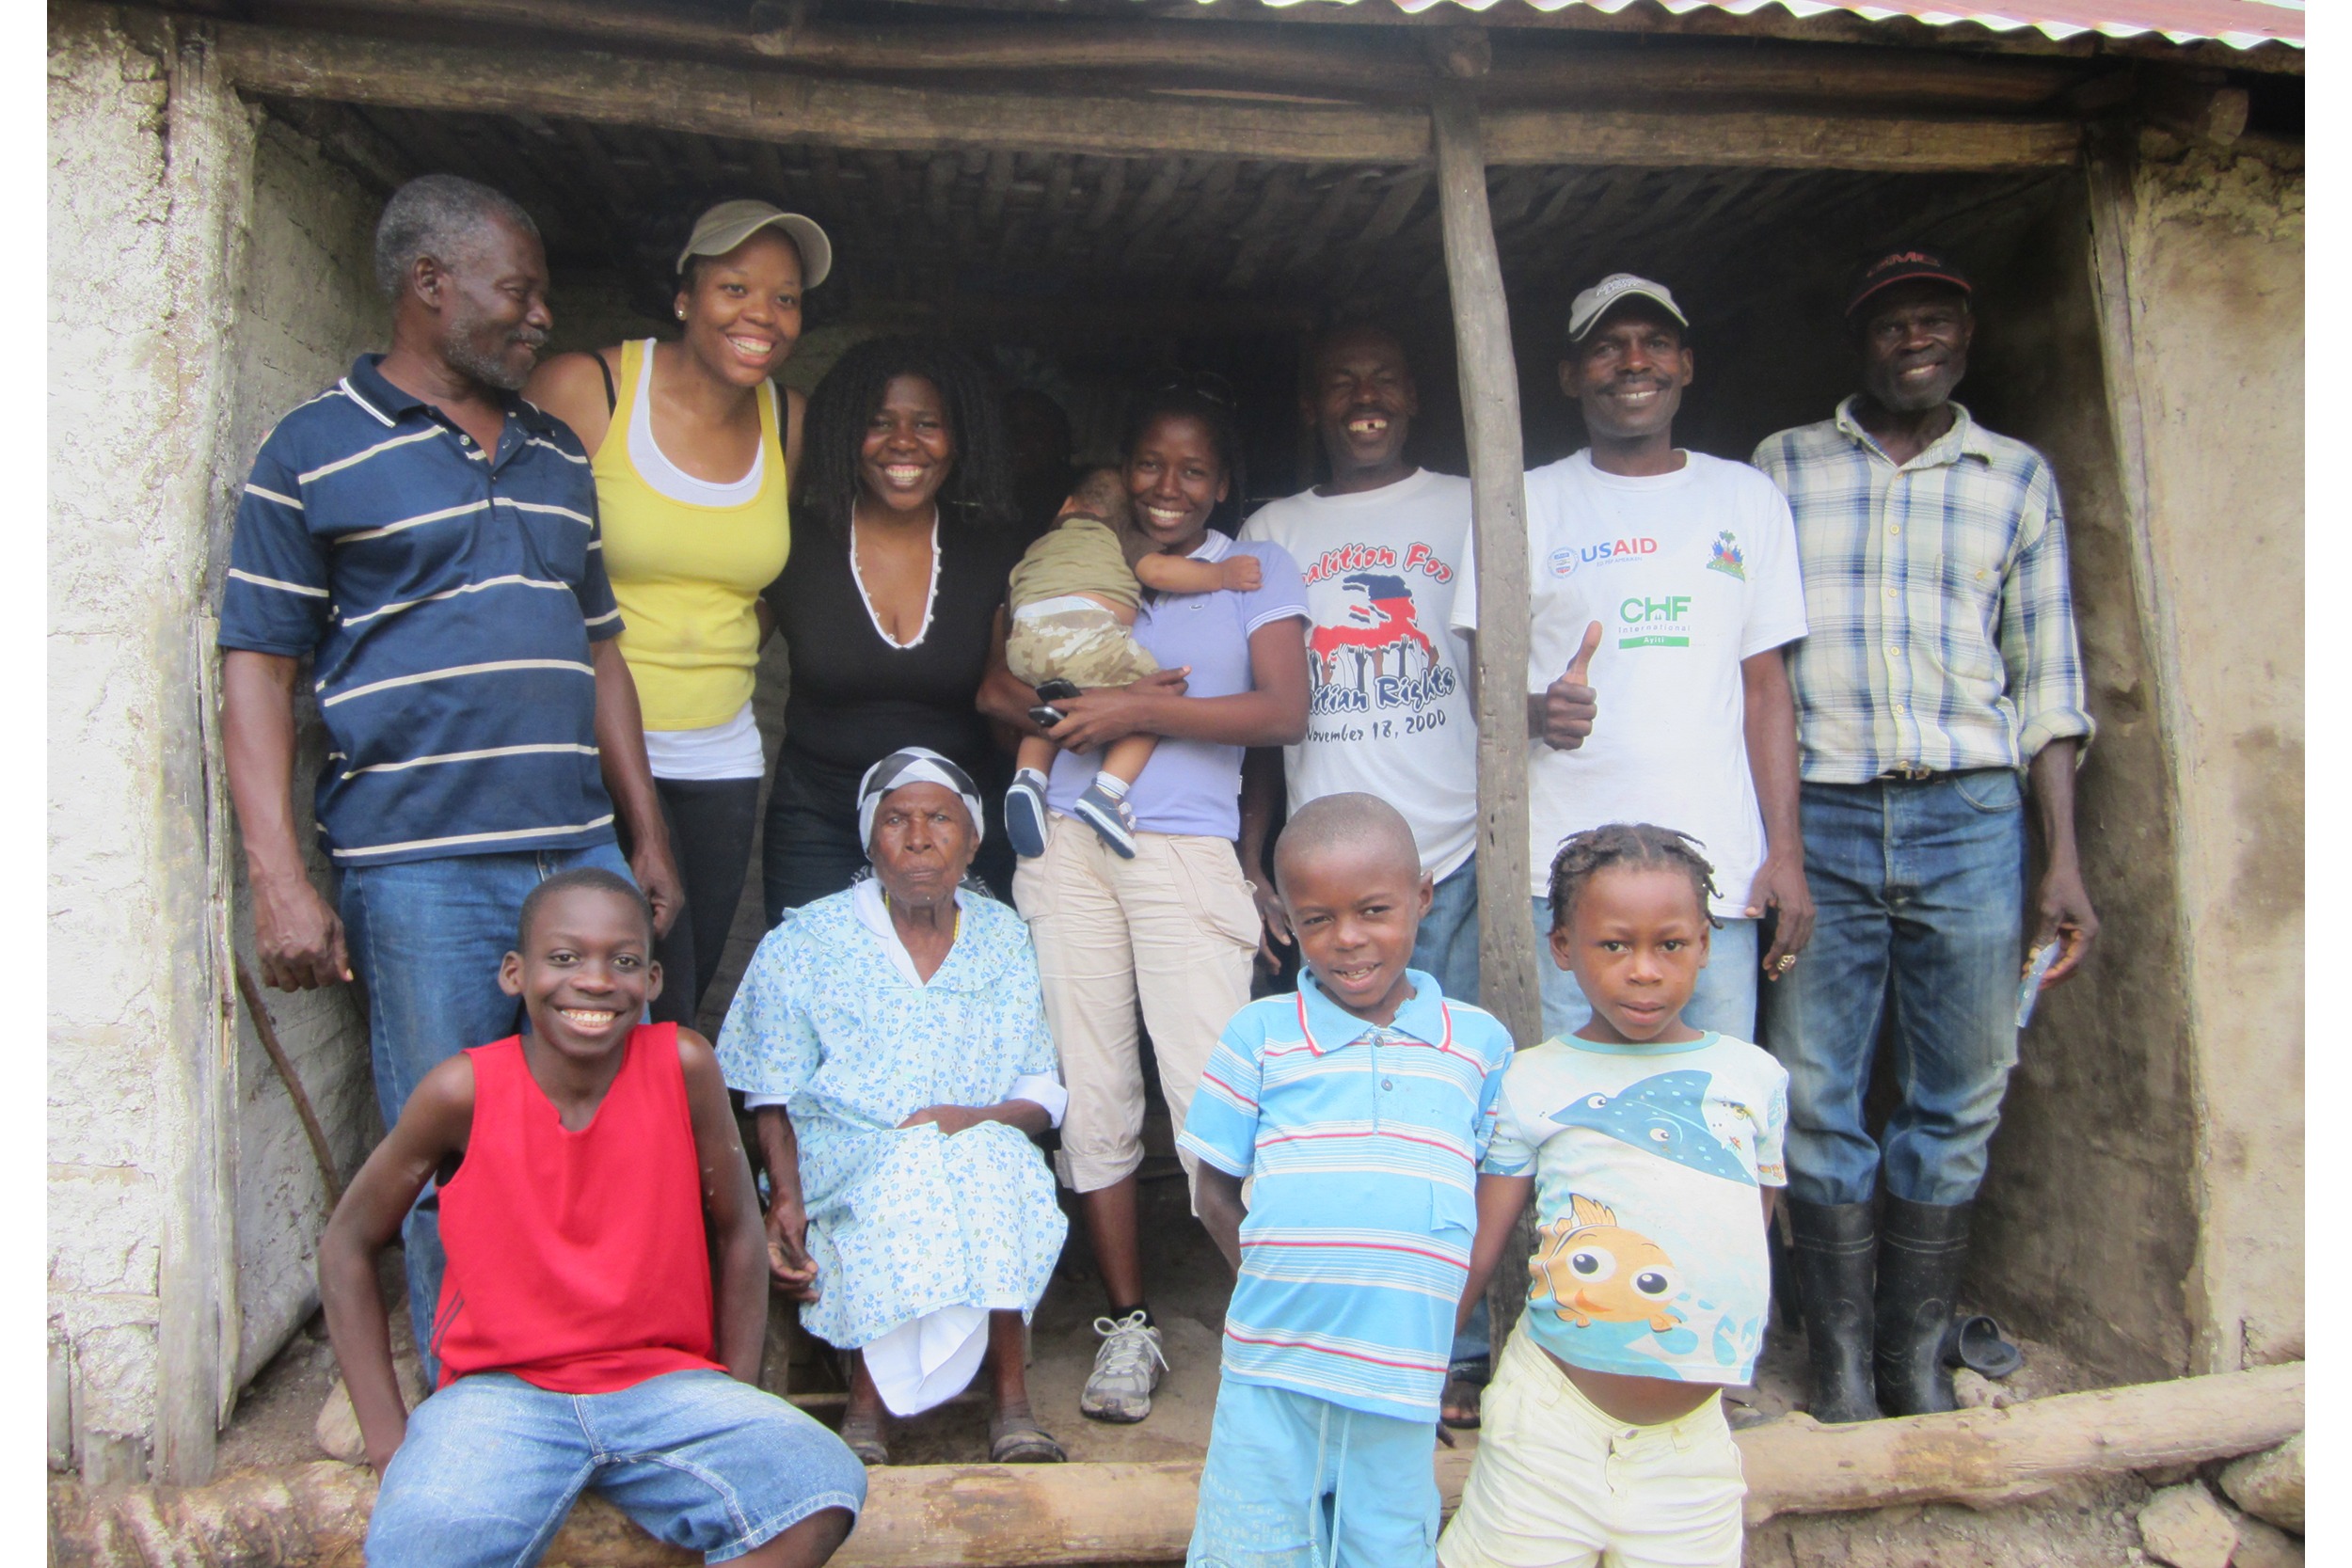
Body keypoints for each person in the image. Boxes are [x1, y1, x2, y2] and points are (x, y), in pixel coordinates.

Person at [220, 174, 681, 1374]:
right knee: (446, 1148)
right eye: (517, 292)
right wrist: (278, 877)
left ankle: (598, 1367)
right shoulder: (311, 449)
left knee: (603, 1130)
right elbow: (259, 666)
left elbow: (601, 650)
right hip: (417, 864)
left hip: (576, 855)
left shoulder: (555, 453)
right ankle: (464, 1385)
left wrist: (643, 835)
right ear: (429, 283)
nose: (541, 318)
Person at [1752, 247, 2099, 1421]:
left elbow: (2047, 679)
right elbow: (1753, 660)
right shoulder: (1783, 465)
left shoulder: (2015, 477)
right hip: (1824, 807)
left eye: (1936, 320)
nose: (1915, 339)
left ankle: (1909, 1354)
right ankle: (1840, 1362)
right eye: (1893, 321)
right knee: (1815, 1091)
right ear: (1861, 341)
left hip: (1970, 812)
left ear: (1966, 338)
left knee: (1960, 1090)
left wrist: (2061, 857)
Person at [317, 868, 864, 1568]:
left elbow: (739, 1234)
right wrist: (388, 1442)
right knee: (415, 1547)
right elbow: (347, 1245)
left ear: (654, 980)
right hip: (501, 1397)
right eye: (565, 957)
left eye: (624, 960)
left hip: (664, 1386)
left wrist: (732, 1393)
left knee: (822, 1482)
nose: (596, 980)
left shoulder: (684, 1066)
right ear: (515, 973)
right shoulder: (462, 1091)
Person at [980, 378, 1311, 1424]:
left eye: (1194, 468)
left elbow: (1283, 710)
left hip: (1181, 851)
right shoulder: (1078, 545)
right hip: (1063, 849)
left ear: (1224, 481)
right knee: (1092, 1092)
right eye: (1150, 464)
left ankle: (1282, 1330)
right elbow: (994, 684)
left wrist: (1133, 706)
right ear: (1120, 469)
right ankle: (1126, 1324)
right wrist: (1066, 711)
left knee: (1212, 1094)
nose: (1169, 485)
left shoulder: (1254, 570)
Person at [1237, 321, 1493, 1429]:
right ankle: (1347, 1334)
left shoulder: (1473, 506)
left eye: (1383, 377)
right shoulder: (1274, 530)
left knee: (1453, 1113)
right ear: (1309, 405)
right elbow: (1262, 713)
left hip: (1458, 854)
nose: (1363, 396)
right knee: (1343, 1118)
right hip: (1329, 881)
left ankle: (1458, 1345)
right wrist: (1253, 854)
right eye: (1339, 382)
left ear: (1415, 394)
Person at [1451, 272, 1812, 1046]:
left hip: (1718, 877)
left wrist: (1785, 850)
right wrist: (1539, 713)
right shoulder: (1519, 503)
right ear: (1569, 375)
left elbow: (1765, 691)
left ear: (1687, 364)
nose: (1634, 362)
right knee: (1570, 1097)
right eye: (1608, 347)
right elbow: (1485, 694)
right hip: (1562, 879)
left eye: (1655, 343)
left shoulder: (1747, 498)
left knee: (1712, 1095)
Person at [1179, 794, 1515, 1568]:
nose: (1348, 938)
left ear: (1422, 896)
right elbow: (1212, 1192)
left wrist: (1434, 1325)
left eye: (1373, 910)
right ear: (1288, 921)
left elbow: (1490, 1193)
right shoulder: (1260, 1035)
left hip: (1401, 1377)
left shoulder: (1478, 1046)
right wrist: (1275, 1285)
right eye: (1317, 919)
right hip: (1272, 1368)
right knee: (1250, 1547)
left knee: (1386, 1544)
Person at [1440, 825, 1788, 1568]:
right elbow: (1480, 1243)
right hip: (1549, 1425)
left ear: (1705, 944)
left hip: (1692, 1448)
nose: (1644, 970)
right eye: (1614, 945)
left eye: (1671, 944)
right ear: (1564, 946)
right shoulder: (1533, 1078)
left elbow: (1744, 1227)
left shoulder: (1754, 1078)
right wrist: (1416, 1364)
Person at [719, 749, 1072, 1467]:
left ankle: (1012, 1407)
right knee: (908, 1167)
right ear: (868, 839)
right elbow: (769, 1092)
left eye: (940, 819)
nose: (918, 838)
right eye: (896, 819)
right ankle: (868, 1407)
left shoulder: (1004, 936)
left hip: (978, 1145)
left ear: (972, 841)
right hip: (845, 1157)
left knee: (990, 1163)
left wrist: (970, 1120)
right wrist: (784, 1196)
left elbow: (1041, 1095)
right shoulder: (806, 940)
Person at [525, 200, 828, 1028]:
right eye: (735, 287)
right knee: (587, 1002)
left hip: (718, 758)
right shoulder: (588, 389)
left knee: (675, 997)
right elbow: (517, 567)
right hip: (584, 748)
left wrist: (713, 645)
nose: (762, 315)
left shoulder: (790, 422)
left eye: (786, 298)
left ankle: (651, 1123)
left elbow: (772, 584)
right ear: (685, 296)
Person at [761, 338, 1025, 918]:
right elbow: (723, 654)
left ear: (959, 437)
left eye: (927, 424)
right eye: (879, 423)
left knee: (954, 976)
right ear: (844, 433)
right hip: (817, 821)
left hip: (959, 825)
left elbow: (1009, 695)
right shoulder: (793, 542)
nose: (904, 442)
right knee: (814, 972)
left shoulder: (995, 549)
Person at [1002, 467, 1263, 859]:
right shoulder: (1115, 532)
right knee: (1154, 699)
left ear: (1067, 505)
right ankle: (1106, 793)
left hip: (1023, 644)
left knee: (1053, 704)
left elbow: (1013, 594)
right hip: (1084, 637)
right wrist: (1220, 575)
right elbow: (1158, 571)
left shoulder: (1039, 545)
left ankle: (1028, 780)